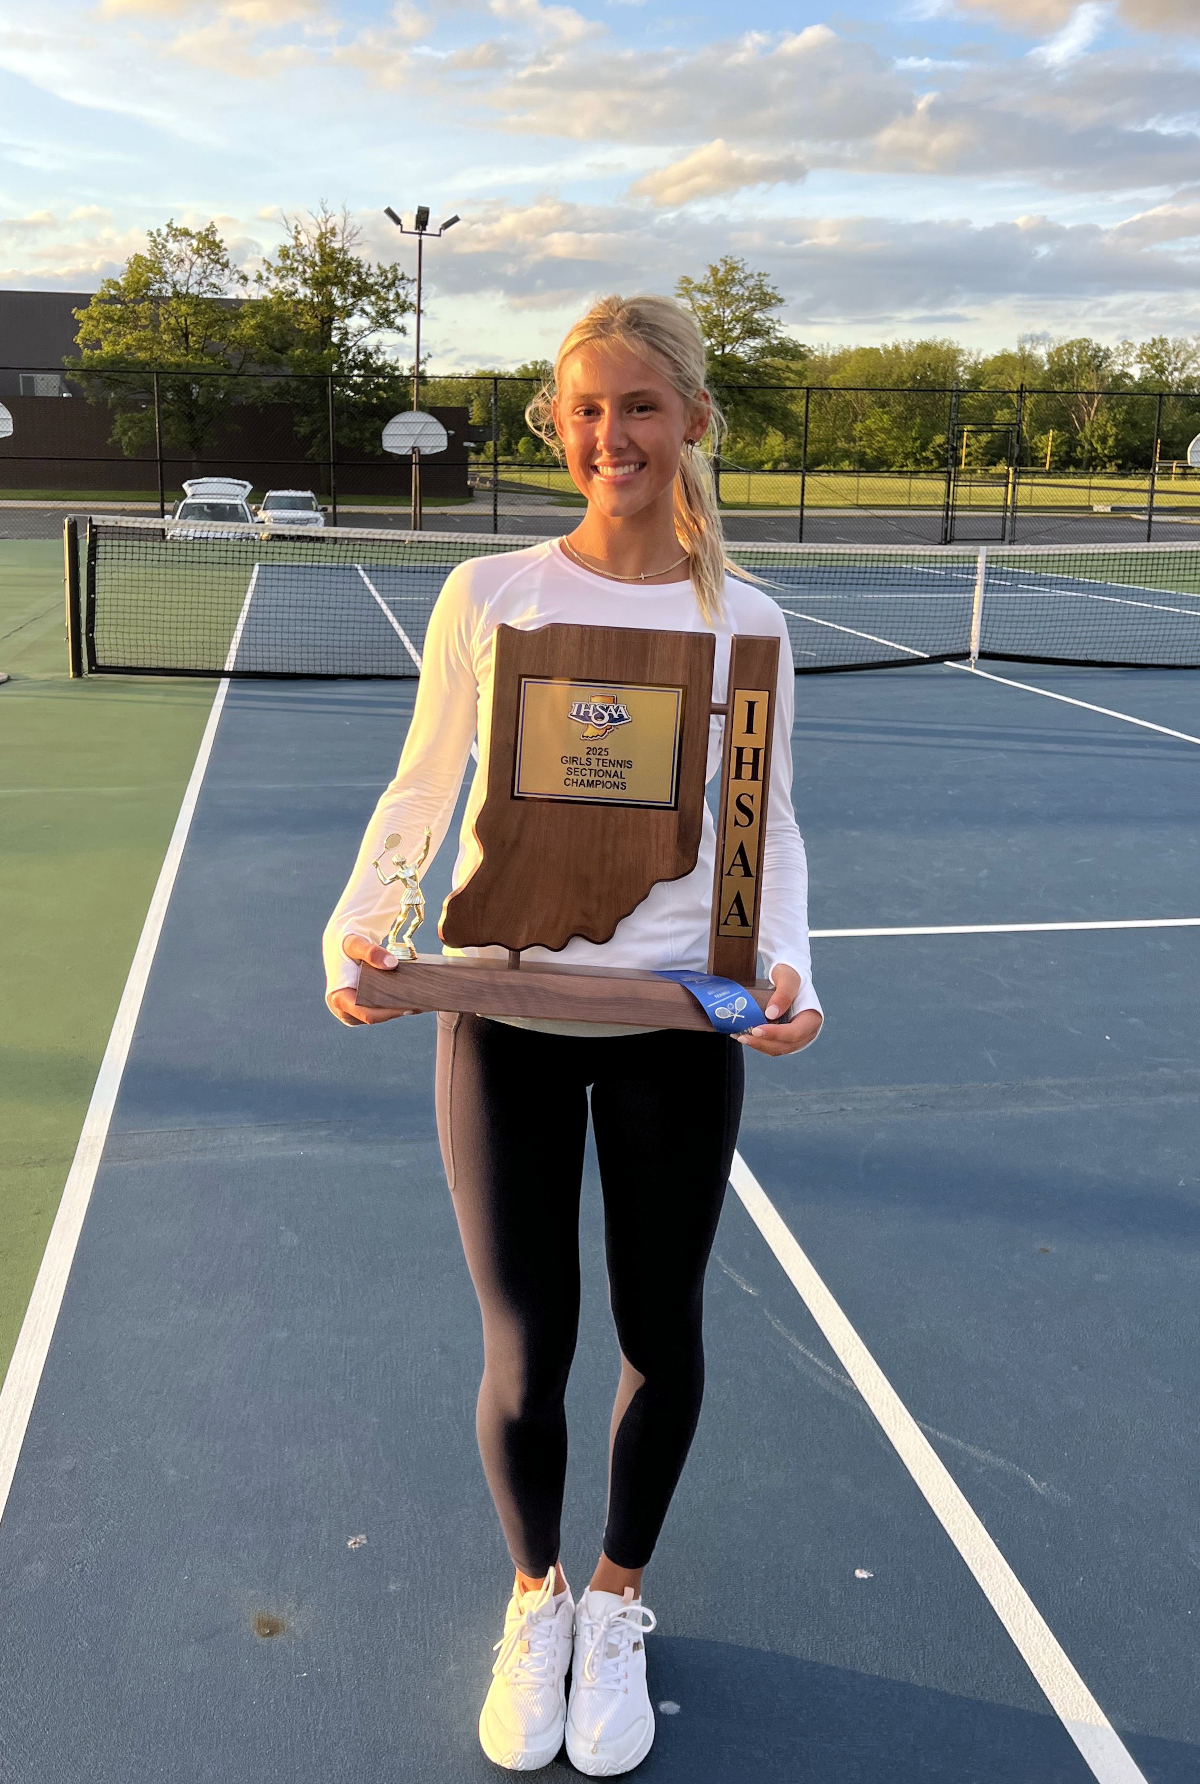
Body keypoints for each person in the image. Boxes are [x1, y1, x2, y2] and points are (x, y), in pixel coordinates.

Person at [322, 293, 823, 1776]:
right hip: (502, 1015)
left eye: (643, 408)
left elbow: (763, 823)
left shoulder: (749, 620)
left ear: (693, 424)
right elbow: (425, 789)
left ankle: (617, 1603)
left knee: (661, 1335)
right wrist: (364, 919)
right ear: (559, 424)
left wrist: (782, 967)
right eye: (587, 410)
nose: (615, 436)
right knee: (529, 1345)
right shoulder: (491, 593)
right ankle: (536, 1595)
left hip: (675, 1027)